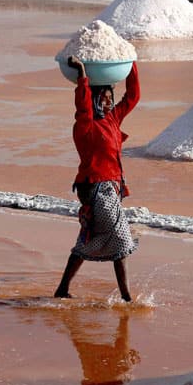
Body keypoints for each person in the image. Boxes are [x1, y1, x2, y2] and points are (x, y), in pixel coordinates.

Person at [54, 55, 141, 302]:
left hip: (112, 188)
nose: (108, 101)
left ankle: (62, 289)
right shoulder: (85, 125)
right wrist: (82, 73)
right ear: (93, 100)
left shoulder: (113, 119)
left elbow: (133, 97)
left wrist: (130, 61)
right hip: (96, 188)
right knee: (121, 237)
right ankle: (126, 297)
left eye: (110, 98)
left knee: (90, 238)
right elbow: (81, 106)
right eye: (102, 98)